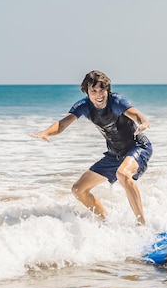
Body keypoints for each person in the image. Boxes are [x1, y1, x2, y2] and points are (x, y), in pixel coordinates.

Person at [30, 70, 152, 225]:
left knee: (122, 174)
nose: (98, 95)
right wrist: (46, 132)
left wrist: (143, 122)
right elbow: (62, 124)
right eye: (93, 91)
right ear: (87, 91)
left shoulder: (116, 101)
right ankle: (107, 222)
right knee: (78, 189)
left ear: (107, 89)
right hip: (115, 154)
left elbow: (135, 114)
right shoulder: (84, 106)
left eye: (102, 90)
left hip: (138, 146)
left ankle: (142, 226)